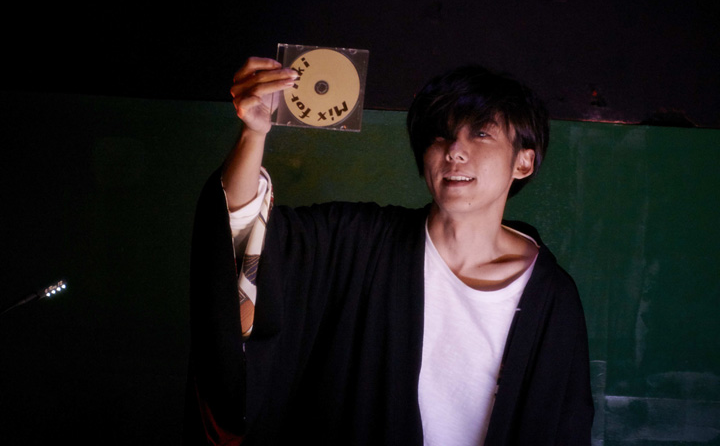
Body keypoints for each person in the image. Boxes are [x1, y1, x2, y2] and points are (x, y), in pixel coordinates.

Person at [183, 57, 594, 445]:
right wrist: (253, 132)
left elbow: (564, 427)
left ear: (523, 163)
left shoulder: (551, 297)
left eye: (481, 133)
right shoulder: (360, 243)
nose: (454, 150)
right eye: (440, 135)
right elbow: (244, 233)